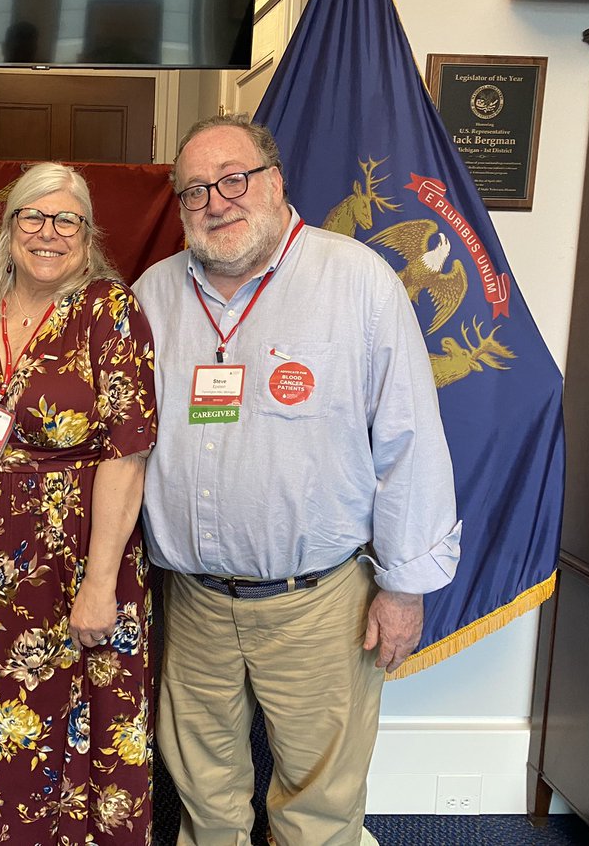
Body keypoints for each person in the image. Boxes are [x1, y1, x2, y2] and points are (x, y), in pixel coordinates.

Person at [133, 114, 462, 846]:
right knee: (204, 798)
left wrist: (403, 588)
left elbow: (410, 443)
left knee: (319, 812)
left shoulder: (358, 282)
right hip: (195, 603)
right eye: (194, 191)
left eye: (233, 179)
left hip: (318, 606)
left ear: (275, 182)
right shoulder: (154, 296)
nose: (216, 201)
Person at [0, 162, 157, 844]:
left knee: (78, 724)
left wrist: (101, 584)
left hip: (80, 561)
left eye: (67, 220)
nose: (49, 234)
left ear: (88, 234)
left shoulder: (113, 310)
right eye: (34, 217)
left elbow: (127, 452)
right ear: (8, 227)